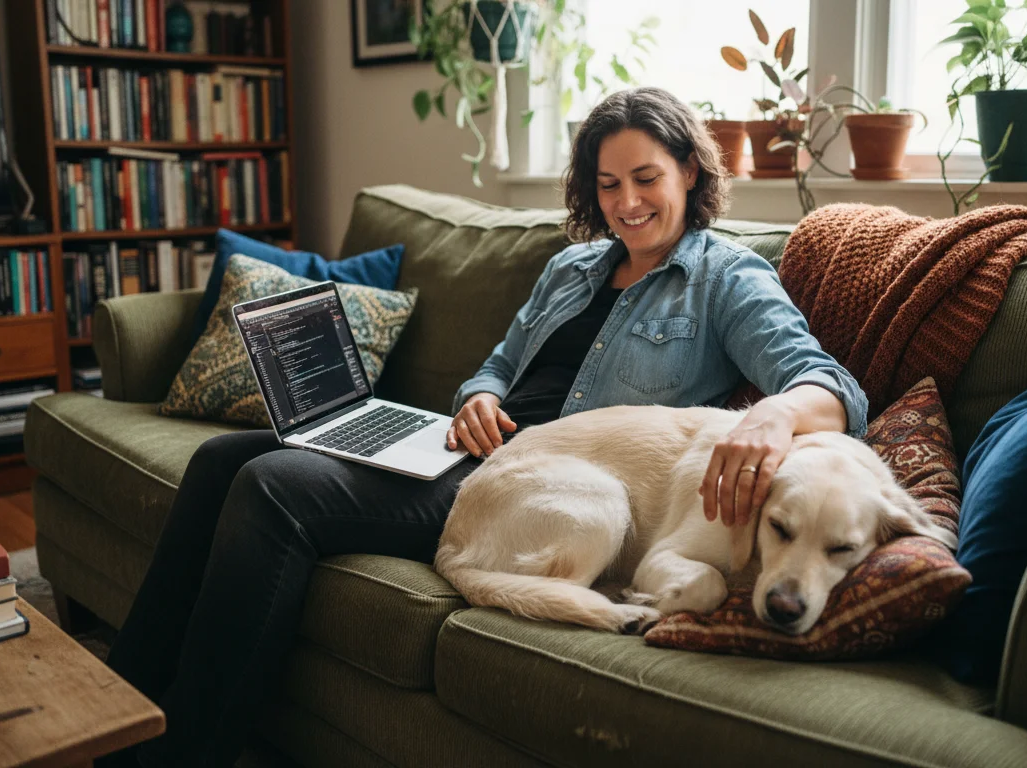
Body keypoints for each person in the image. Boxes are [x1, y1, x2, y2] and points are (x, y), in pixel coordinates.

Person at [101, 86, 868, 767]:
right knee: (216, 461)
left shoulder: (726, 278)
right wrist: (476, 395)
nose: (626, 203)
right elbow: (498, 365)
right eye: (607, 184)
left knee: (272, 487)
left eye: (646, 179)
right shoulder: (571, 268)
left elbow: (832, 389)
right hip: (456, 443)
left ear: (689, 174)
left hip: (540, 479)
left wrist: (772, 415)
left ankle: (186, 750)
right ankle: (119, 712)